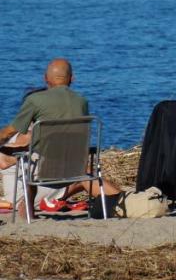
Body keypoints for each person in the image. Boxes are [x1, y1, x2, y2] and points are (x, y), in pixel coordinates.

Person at [0, 58, 121, 216]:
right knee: (84, 173)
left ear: (45, 78)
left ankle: (27, 210)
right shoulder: (81, 101)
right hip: (73, 169)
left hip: (42, 174)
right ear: (72, 78)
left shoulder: (34, 101)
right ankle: (120, 201)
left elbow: (9, 132)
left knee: (29, 160)